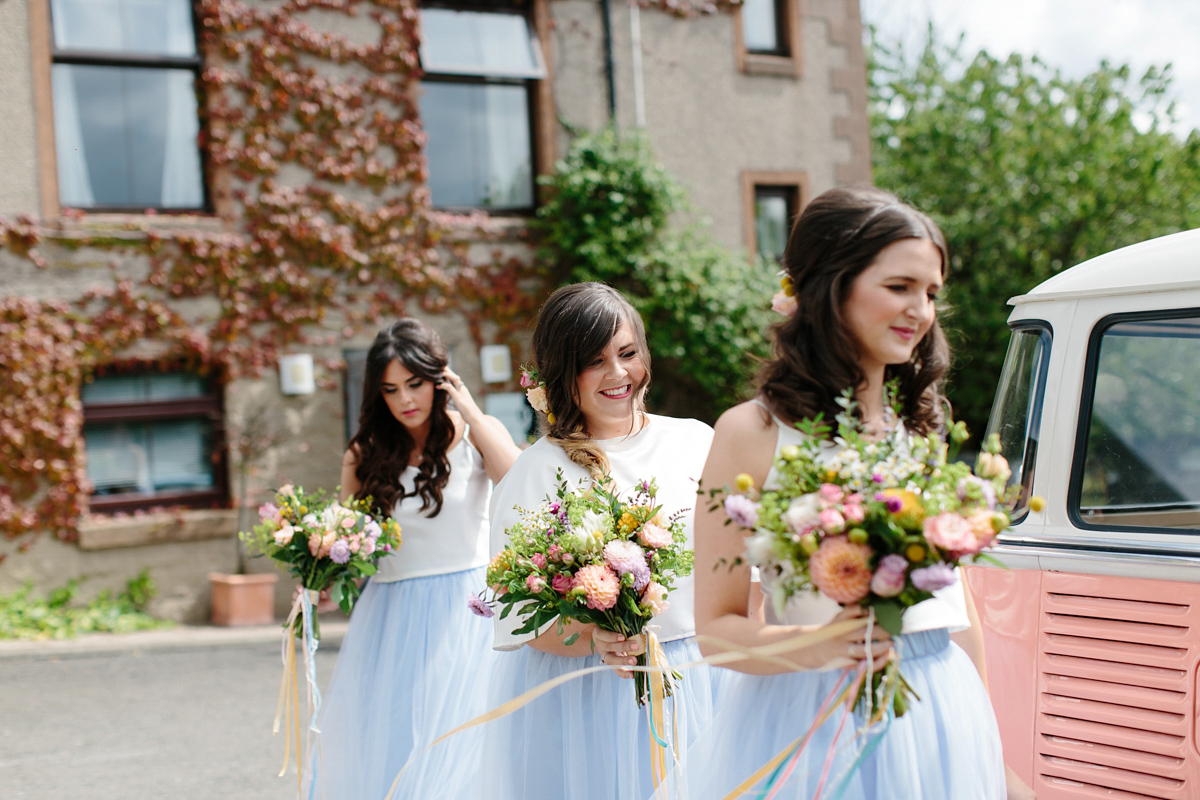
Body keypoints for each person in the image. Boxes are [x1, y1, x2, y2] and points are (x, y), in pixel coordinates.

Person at [687, 186, 1035, 799]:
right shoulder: (751, 432)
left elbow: (958, 611)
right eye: (899, 287)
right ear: (832, 285)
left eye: (930, 293)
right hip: (808, 718)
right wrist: (817, 644)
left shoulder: (923, 427)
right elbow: (716, 631)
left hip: (939, 710)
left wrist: (991, 756)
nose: (921, 310)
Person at [481, 282, 720, 800]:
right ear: (564, 375)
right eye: (595, 360)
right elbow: (519, 620)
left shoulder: (697, 441)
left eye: (628, 353)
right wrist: (594, 636)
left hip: (703, 679)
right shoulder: (536, 472)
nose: (618, 373)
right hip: (590, 702)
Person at [303, 318, 520, 800]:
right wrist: (321, 579)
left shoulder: (475, 434)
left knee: (469, 743)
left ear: (439, 377)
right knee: (396, 744)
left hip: (470, 614)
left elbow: (520, 484)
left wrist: (469, 408)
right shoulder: (364, 454)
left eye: (416, 384)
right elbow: (349, 541)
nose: (405, 400)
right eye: (391, 389)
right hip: (391, 619)